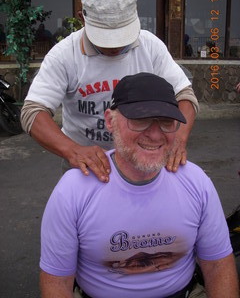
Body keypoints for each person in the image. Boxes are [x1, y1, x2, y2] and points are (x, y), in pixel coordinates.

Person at [40, 72, 238, 298]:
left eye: (166, 122)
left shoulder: (196, 182)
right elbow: (57, 283)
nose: (155, 135)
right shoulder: (73, 191)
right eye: (140, 119)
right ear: (110, 120)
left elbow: (218, 265)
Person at [21, 0, 199, 182]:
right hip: (85, 163)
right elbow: (33, 112)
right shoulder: (64, 55)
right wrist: (73, 150)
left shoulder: (150, 47)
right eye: (106, 36)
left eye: (122, 34)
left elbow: (185, 95)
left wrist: (178, 138)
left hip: (140, 158)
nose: (115, 46)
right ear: (82, 18)